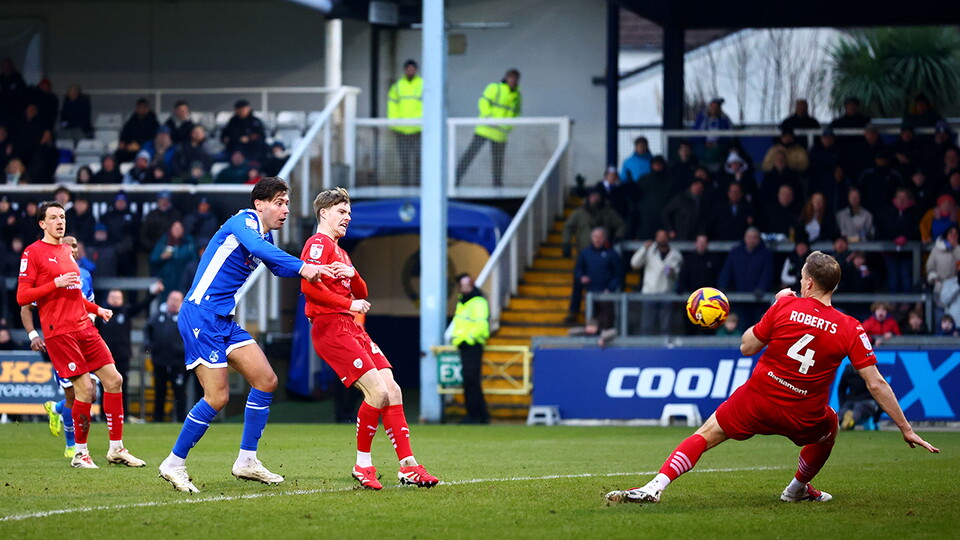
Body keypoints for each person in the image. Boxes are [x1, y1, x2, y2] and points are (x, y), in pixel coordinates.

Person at [606, 251, 939, 505]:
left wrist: (776, 305)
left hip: (758, 401)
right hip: (804, 415)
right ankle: (796, 489)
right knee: (831, 427)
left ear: (809, 283)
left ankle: (656, 486)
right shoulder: (851, 327)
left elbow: (747, 346)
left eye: (802, 277)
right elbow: (875, 382)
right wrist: (905, 428)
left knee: (706, 434)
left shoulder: (785, 307)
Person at [157, 177, 326, 493]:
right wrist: (303, 267)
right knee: (217, 397)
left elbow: (278, 267)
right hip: (201, 315)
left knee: (266, 380)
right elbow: (260, 250)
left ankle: (247, 461)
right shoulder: (244, 221)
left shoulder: (264, 236)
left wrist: (316, 269)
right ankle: (173, 463)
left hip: (222, 319)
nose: (285, 210)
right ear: (259, 204)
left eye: (287, 203)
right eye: (279, 203)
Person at [301, 186, 439, 490]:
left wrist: (352, 274)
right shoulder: (317, 243)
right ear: (323, 213)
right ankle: (363, 464)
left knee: (393, 390)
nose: (347, 217)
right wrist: (347, 303)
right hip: (331, 326)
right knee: (377, 393)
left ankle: (408, 466)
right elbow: (308, 287)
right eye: (341, 211)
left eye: (349, 212)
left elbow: (362, 291)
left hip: (351, 327)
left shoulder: (341, 252)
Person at [17, 201, 145, 468]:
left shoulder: (67, 251)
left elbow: (74, 294)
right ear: (42, 223)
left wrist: (98, 309)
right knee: (85, 389)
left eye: (62, 217)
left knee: (114, 380)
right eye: (53, 217)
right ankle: (80, 453)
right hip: (60, 332)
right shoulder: (32, 252)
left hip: (84, 327)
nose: (60, 222)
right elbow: (22, 296)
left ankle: (116, 448)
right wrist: (54, 283)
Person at [97, 284, 163, 422]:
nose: (115, 300)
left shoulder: (126, 312)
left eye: (118, 297)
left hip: (122, 357)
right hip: (104, 358)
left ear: (122, 299)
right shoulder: (101, 315)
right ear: (107, 298)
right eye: (113, 297)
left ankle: (123, 415)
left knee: (123, 386)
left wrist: (152, 294)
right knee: (104, 386)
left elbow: (141, 305)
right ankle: (104, 416)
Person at [455, 69, 521, 187]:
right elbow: (483, 102)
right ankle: (455, 179)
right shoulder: (495, 88)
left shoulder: (517, 96)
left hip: (500, 133)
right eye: (510, 77)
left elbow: (516, 113)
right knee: (470, 155)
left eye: (515, 78)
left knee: (498, 162)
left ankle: (497, 186)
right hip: (485, 129)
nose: (512, 80)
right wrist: (490, 118)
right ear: (506, 77)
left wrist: (509, 126)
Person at [451, 274, 490, 424]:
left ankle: (474, 415)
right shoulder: (464, 301)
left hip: (472, 346)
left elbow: (481, 325)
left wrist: (468, 339)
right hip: (465, 345)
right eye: (462, 285)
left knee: (471, 381)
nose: (464, 288)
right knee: (471, 382)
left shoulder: (477, 302)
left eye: (466, 285)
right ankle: (480, 415)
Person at [145, 290, 187, 422]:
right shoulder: (157, 317)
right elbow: (148, 333)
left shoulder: (185, 318)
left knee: (179, 392)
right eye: (172, 299)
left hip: (178, 362)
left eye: (177, 300)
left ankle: (181, 420)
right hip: (159, 361)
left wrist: (182, 350)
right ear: (167, 300)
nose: (174, 303)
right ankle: (157, 420)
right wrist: (150, 348)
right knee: (159, 391)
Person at [567, 227, 623, 326]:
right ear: (591, 238)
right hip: (590, 291)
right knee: (591, 320)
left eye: (600, 237)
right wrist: (582, 277)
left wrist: (610, 288)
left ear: (605, 238)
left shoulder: (612, 254)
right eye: (595, 236)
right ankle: (574, 311)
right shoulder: (585, 253)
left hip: (606, 293)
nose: (598, 239)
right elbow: (578, 270)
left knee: (606, 321)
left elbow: (618, 274)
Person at [630, 230, 683, 335]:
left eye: (664, 236)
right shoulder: (649, 251)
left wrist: (673, 272)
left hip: (666, 293)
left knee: (665, 326)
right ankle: (646, 345)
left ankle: (665, 345)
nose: (662, 239)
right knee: (647, 326)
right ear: (656, 238)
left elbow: (679, 272)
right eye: (659, 236)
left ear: (668, 238)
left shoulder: (675, 254)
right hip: (650, 293)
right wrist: (643, 248)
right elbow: (635, 263)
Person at [387, 59, 423, 185]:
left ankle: (419, 186)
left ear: (416, 70)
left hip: (418, 129)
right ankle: (405, 186)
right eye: (408, 69)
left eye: (412, 69)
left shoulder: (423, 85)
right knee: (404, 161)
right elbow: (392, 106)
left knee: (419, 160)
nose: (410, 71)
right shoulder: (397, 86)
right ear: (405, 70)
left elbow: (430, 105)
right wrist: (393, 123)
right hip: (401, 130)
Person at [561, 189, 625, 257]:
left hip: (604, 249)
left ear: (601, 197)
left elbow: (621, 224)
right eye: (592, 196)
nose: (594, 198)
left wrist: (617, 237)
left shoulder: (608, 212)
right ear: (588, 198)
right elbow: (567, 227)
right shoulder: (579, 212)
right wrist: (566, 244)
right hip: (584, 248)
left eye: (597, 196)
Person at [836, 363, 880, 431]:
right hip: (852, 401)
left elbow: (881, 391)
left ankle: (850, 422)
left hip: (870, 402)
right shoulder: (848, 371)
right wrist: (842, 405)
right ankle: (835, 423)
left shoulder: (873, 371)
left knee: (858, 406)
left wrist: (877, 416)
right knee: (844, 409)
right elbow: (841, 389)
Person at [116, 98, 159, 162]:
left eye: (144, 107)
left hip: (146, 148)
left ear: (147, 109)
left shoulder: (153, 122)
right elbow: (125, 134)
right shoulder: (132, 120)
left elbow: (154, 138)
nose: (141, 109)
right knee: (118, 154)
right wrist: (124, 143)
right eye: (139, 107)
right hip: (130, 147)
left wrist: (139, 145)